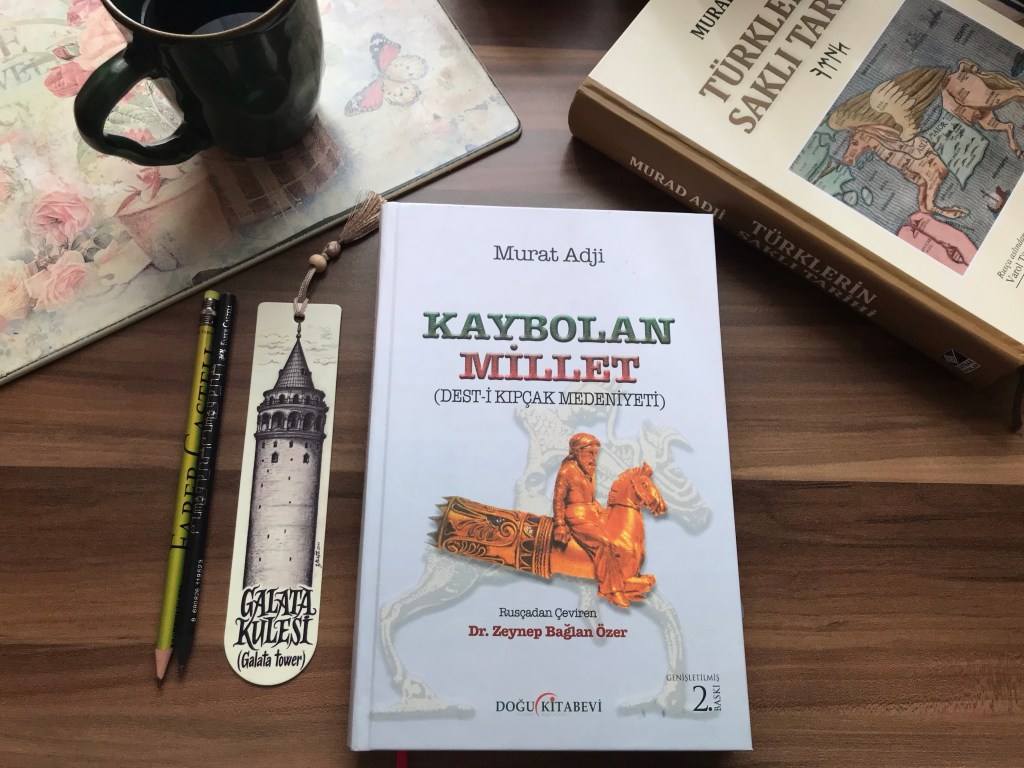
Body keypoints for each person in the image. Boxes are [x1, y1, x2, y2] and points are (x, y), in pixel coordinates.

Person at [552, 433, 628, 608]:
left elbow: (590, 499)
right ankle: (611, 590)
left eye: (596, 453)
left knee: (618, 535)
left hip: (591, 512)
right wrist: (560, 524)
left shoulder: (589, 470)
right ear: (577, 452)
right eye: (590, 453)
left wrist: (604, 512)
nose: (594, 458)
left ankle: (623, 578)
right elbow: (558, 500)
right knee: (604, 542)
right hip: (576, 516)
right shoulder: (566, 471)